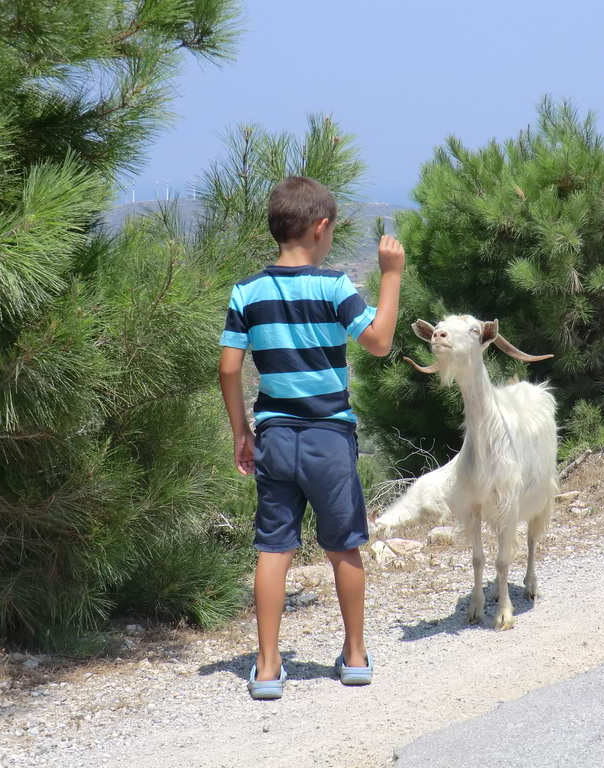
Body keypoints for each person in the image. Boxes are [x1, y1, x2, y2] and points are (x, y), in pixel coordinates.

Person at [218, 176, 404, 700]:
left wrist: (241, 431)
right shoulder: (335, 287)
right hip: (329, 437)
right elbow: (381, 342)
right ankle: (354, 656)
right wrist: (391, 277)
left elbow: (229, 369)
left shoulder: (246, 293)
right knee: (343, 548)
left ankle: (270, 666)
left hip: (275, 435)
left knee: (273, 549)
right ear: (322, 229)